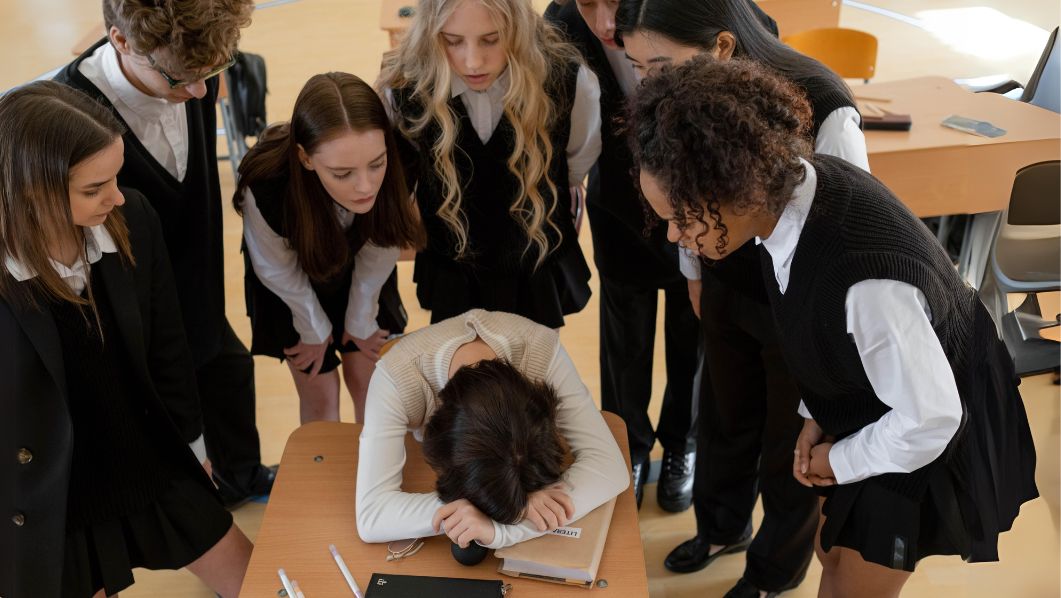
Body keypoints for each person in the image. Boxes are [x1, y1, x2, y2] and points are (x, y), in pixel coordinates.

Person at [629, 56, 1038, 598]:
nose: (677, 237)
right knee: (831, 550)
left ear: (739, 187)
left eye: (683, 219)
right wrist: (813, 414)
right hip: (877, 406)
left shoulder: (864, 280)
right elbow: (817, 333)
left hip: (926, 430)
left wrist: (840, 458)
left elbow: (932, 419)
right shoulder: (787, 201)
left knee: (851, 584)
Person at [615, 0, 869, 593]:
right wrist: (696, 272)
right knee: (723, 417)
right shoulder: (683, 98)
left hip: (798, 306)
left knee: (791, 444)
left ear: (722, 49)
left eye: (659, 65)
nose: (646, 83)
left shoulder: (823, 105)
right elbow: (682, 195)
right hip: (725, 284)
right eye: (636, 66)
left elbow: (844, 233)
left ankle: (773, 573)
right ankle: (723, 528)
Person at [0, 81, 253, 598]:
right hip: (51, 495)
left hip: (144, 453)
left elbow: (168, 347)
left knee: (259, 578)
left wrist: (193, 442)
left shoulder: (131, 216)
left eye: (116, 178)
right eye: (94, 189)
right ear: (32, 190)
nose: (116, 197)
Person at [53, 0, 275, 509]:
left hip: (199, 287)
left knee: (230, 377)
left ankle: (242, 478)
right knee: (174, 429)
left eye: (211, 74)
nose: (199, 93)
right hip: (137, 315)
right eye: (180, 80)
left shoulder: (192, 66)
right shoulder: (72, 115)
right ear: (122, 41)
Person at [543, 0, 703, 512]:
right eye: (590, 4)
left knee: (693, 337)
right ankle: (628, 448)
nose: (607, 23)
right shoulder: (561, 25)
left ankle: (683, 444)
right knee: (624, 344)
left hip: (697, 208)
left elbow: (758, 34)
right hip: (618, 208)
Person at [377, 0, 602, 329]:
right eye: (453, 41)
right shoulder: (402, 90)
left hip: (534, 269)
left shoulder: (568, 79)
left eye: (491, 39)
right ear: (431, 32)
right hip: (453, 275)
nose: (473, 61)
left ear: (517, 28)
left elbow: (576, 162)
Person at [234, 72, 426, 424]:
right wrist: (313, 328)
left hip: (365, 274)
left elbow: (383, 243)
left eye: (376, 164)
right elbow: (275, 268)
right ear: (305, 158)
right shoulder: (265, 182)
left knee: (369, 382)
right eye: (342, 173)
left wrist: (360, 317)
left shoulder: (404, 160)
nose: (365, 187)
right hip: (291, 287)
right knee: (320, 396)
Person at [356, 309, 629, 549]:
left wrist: (501, 528)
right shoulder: (395, 378)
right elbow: (372, 516)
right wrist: (484, 509)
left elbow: (610, 469)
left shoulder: (541, 351)